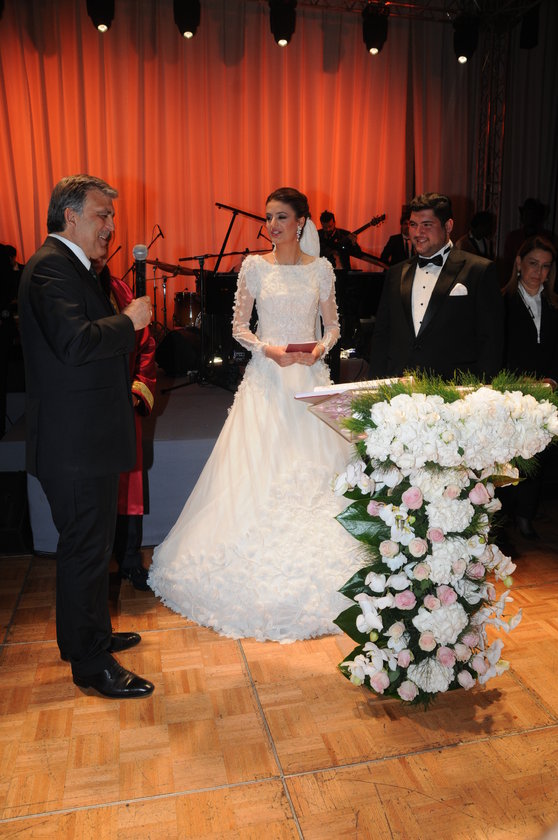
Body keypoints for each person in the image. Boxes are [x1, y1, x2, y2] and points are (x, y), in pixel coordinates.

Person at [149, 187, 362, 642]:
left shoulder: (321, 269)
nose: (272, 225)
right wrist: (268, 349)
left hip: (309, 378)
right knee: (257, 466)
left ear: (301, 222)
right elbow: (239, 327)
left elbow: (334, 325)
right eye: (268, 218)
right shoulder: (254, 267)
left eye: (281, 217)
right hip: (267, 379)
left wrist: (319, 349)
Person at [18, 174, 154, 699]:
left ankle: (89, 635)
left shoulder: (75, 268)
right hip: (74, 445)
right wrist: (129, 321)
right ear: (70, 216)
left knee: (92, 549)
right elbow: (74, 344)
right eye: (102, 215)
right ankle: (91, 664)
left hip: (87, 440)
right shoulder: (51, 267)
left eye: (111, 216)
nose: (111, 226)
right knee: (85, 551)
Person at [368, 192, 504, 380]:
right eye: (413, 225)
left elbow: (491, 340)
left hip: (454, 388)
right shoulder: (395, 273)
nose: (418, 233)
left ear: (448, 226)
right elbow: (382, 335)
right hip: (399, 386)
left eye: (427, 225)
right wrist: (375, 384)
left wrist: (483, 389)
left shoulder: (479, 270)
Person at [93, 256, 156, 591]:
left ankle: (130, 560)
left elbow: (146, 346)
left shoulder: (120, 289)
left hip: (123, 406)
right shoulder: (71, 289)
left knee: (129, 485)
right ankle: (96, 571)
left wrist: (136, 390)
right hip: (87, 411)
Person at [499, 235, 558, 539]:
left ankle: (525, 515)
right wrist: (519, 381)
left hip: (546, 394)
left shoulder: (554, 305)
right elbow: (496, 350)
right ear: (519, 263)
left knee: (537, 456)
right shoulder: (502, 302)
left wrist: (552, 380)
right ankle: (502, 515)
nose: (539, 272)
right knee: (508, 458)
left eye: (546, 266)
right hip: (509, 391)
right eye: (533, 263)